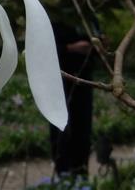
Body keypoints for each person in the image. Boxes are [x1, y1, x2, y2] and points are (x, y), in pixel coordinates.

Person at [50, 19, 95, 178]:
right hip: (60, 80)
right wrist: (70, 48)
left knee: (83, 127)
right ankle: (63, 171)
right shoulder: (54, 18)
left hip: (84, 79)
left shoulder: (86, 18)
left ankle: (81, 171)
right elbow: (46, 49)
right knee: (61, 127)